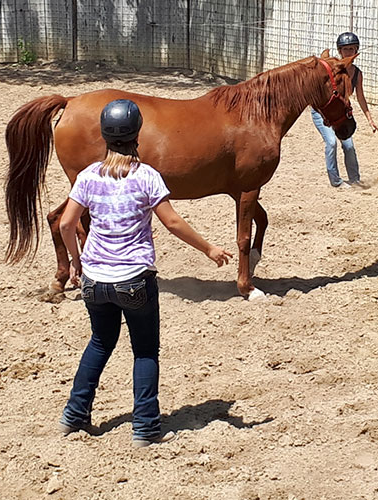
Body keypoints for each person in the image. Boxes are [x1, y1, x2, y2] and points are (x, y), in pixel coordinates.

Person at [57, 99, 232, 448]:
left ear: (104, 135)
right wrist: (208, 248)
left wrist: (77, 261)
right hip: (134, 278)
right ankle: (146, 427)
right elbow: (172, 222)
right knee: (145, 352)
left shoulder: (89, 177)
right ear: (137, 133)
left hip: (94, 280)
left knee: (100, 343)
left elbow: (66, 223)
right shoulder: (147, 176)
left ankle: (74, 415)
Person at [311, 31, 378, 189]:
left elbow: (361, 97)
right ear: (340, 51)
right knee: (331, 142)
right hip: (323, 112)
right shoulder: (333, 71)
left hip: (340, 113)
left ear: (356, 51)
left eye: (352, 49)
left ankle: (355, 179)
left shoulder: (357, 74)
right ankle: (336, 181)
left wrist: (370, 119)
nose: (348, 52)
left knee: (348, 145)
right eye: (345, 49)